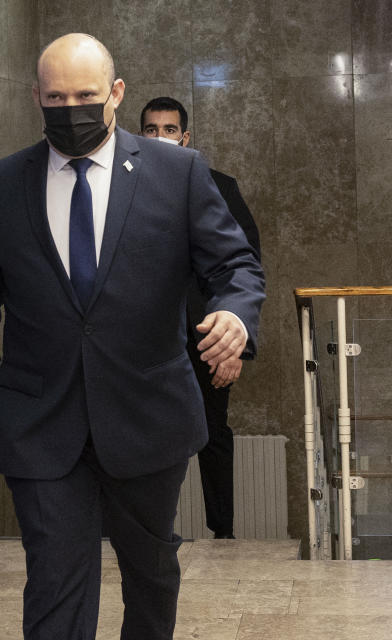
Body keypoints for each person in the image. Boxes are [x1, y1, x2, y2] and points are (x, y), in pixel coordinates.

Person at [0, 34, 265, 640]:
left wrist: (236, 317)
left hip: (147, 414)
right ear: (35, 96)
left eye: (85, 94)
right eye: (55, 96)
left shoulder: (179, 173)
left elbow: (236, 267)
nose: (70, 108)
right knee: (56, 581)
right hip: (41, 419)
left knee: (152, 575)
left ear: (115, 94)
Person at [141, 96, 262, 539]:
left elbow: (243, 266)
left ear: (185, 137)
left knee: (213, 435)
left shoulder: (220, 186)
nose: (160, 138)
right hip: (146, 342)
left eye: (169, 130)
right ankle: (153, 532)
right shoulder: (122, 190)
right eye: (151, 130)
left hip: (209, 338)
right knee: (149, 440)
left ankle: (223, 532)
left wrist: (237, 346)